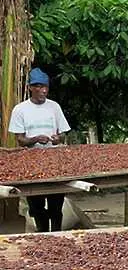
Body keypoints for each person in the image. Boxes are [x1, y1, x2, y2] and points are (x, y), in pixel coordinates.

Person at [8, 67, 71, 232]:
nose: (43, 91)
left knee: (56, 205)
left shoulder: (54, 107)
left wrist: (58, 139)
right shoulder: (20, 110)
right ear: (30, 88)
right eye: (39, 87)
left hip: (55, 163)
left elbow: (63, 133)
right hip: (31, 165)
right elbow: (20, 140)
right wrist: (35, 139)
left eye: (46, 88)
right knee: (36, 207)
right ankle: (42, 235)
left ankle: (57, 235)